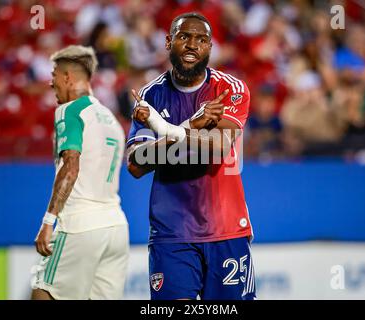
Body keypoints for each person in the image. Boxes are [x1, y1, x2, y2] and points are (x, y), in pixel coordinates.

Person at [126, 12, 255, 300]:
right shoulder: (151, 95)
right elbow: (135, 164)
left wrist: (165, 130)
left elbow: (218, 146)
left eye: (201, 39)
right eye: (184, 37)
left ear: (210, 48)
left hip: (225, 229)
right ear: (169, 42)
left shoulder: (229, 89)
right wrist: (193, 127)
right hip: (171, 232)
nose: (192, 45)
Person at [30, 45, 129, 300]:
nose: (51, 84)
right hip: (116, 227)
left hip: (80, 225)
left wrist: (48, 221)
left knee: (44, 292)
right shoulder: (111, 119)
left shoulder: (70, 111)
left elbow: (71, 166)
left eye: (53, 76)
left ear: (67, 77)